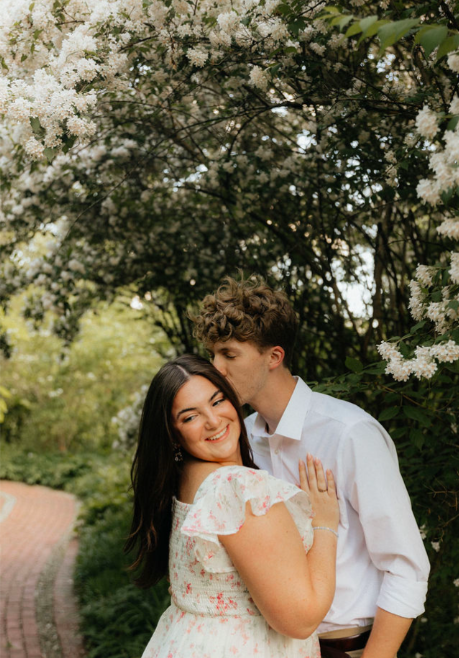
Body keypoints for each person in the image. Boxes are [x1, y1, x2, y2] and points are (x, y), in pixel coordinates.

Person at [193, 276, 431, 658]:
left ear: (274, 356)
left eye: (229, 354)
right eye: (212, 355)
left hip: (346, 647)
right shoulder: (243, 441)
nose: (215, 368)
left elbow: (407, 568)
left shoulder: (350, 433)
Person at [126, 354, 340, 658]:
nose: (213, 421)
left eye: (217, 401)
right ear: (173, 435)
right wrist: (326, 525)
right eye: (190, 417)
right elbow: (301, 619)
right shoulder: (240, 490)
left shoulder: (184, 480)